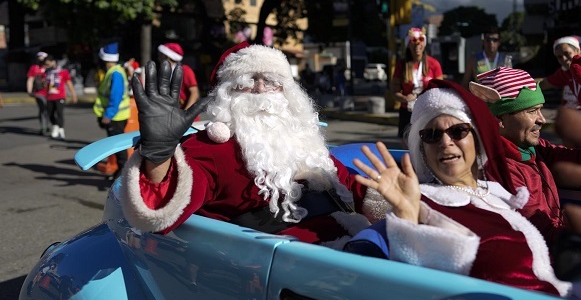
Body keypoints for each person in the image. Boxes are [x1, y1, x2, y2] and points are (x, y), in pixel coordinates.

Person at [344, 79, 581, 300]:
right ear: (421, 148)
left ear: (476, 138)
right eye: (431, 135)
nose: (446, 141)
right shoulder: (429, 201)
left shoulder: (494, 190)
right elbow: (419, 284)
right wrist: (406, 218)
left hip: (568, 295)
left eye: (458, 130)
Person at [120, 42, 387, 246]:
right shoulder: (209, 150)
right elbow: (158, 211)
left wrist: (402, 203)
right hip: (281, 272)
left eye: (271, 80)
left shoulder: (303, 141)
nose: (260, 89)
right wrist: (158, 155)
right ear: (226, 93)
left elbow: (353, 188)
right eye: (247, 81)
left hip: (350, 246)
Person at [468, 66, 581, 245]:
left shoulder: (534, 149)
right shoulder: (500, 169)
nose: (541, 119)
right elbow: (541, 235)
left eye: (540, 110)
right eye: (531, 111)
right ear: (499, 120)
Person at [391, 27, 443, 142]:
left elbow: (441, 91)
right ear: (408, 45)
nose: (417, 45)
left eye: (420, 42)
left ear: (424, 44)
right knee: (407, 145)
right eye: (413, 42)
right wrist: (405, 98)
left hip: (428, 111)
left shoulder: (434, 64)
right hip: (408, 111)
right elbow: (394, 91)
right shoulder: (402, 65)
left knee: (427, 145)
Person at [93, 43, 131, 179]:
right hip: (117, 116)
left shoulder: (115, 73)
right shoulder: (116, 71)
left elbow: (115, 97)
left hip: (116, 117)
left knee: (118, 146)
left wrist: (108, 114)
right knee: (116, 145)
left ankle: (123, 173)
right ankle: (120, 172)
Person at [43, 55, 78, 140]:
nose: (47, 66)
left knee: (59, 113)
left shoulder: (63, 71)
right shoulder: (47, 72)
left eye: (48, 64)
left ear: (53, 62)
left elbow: (69, 83)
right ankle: (55, 126)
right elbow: (45, 85)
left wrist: (73, 95)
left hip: (60, 96)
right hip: (50, 96)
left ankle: (61, 129)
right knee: (50, 113)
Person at [157, 42, 200, 110]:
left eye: (160, 54)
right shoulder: (163, 73)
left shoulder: (185, 70)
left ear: (166, 56)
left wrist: (186, 113)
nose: (158, 57)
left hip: (186, 117)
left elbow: (194, 93)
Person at [26, 51, 50, 135]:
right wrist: (29, 91)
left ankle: (49, 126)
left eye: (42, 58)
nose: (40, 60)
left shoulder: (48, 67)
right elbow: (30, 79)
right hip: (39, 92)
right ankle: (43, 127)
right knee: (43, 109)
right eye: (39, 58)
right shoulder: (34, 68)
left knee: (49, 109)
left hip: (49, 93)